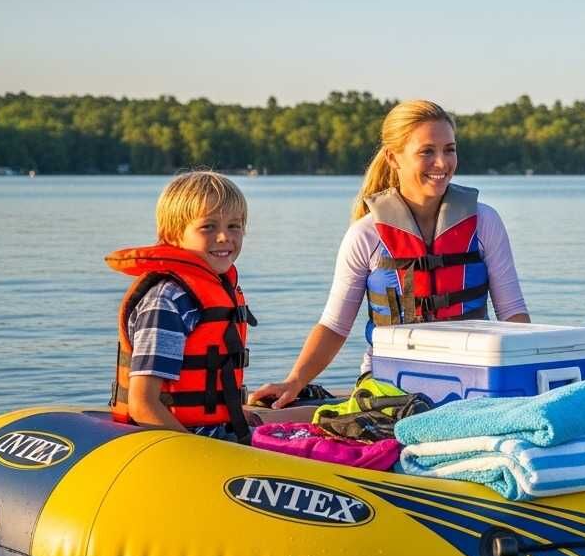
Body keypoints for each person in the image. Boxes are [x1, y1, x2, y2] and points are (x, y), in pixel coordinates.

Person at [251, 99, 530, 409]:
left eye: (449, 150)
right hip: (389, 382)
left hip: (472, 379)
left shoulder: (485, 222)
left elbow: (513, 314)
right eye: (427, 152)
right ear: (393, 158)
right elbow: (334, 326)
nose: (442, 163)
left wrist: (528, 377)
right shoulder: (365, 235)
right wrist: (294, 380)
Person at [108, 170, 259, 442]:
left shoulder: (218, 286)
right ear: (173, 234)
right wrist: (197, 451)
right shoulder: (168, 301)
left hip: (217, 432)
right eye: (208, 227)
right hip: (181, 443)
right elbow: (143, 404)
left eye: (234, 226)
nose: (224, 237)